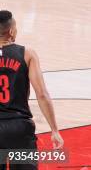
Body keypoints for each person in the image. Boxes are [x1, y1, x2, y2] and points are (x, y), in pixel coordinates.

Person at [0, 10, 64, 166]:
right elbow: (42, 94)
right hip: (19, 127)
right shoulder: (27, 54)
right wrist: (54, 129)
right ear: (11, 31)